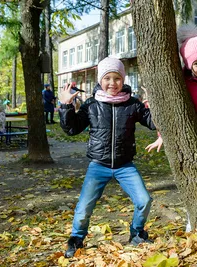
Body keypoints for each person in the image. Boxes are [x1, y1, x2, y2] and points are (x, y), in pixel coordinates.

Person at [58, 57, 162, 258]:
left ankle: (137, 234)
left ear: (123, 80)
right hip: (98, 165)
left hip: (125, 165)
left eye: (117, 78)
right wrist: (65, 106)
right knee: (84, 205)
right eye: (108, 78)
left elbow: (152, 122)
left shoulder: (133, 104)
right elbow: (72, 128)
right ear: (100, 80)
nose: (112, 83)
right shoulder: (92, 104)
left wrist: (153, 104)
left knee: (144, 200)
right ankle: (76, 239)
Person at [145, 23, 197, 153]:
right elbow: (168, 110)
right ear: (188, 64)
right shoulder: (182, 82)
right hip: (195, 138)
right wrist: (162, 136)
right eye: (196, 63)